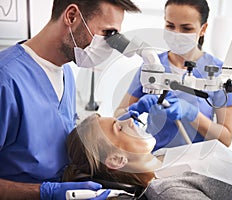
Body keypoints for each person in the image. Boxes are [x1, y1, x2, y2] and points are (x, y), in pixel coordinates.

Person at [0, 0, 140, 199]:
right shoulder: (5, 79)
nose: (110, 46)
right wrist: (42, 193)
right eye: (107, 33)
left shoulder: (66, 72)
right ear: (72, 16)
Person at [63, 113, 232, 199]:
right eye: (119, 127)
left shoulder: (165, 156)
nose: (129, 120)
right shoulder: (168, 191)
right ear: (116, 160)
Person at [114, 0, 232, 151]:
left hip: (196, 163)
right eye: (170, 26)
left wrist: (192, 114)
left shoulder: (219, 72)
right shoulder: (152, 65)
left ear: (203, 29)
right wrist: (136, 108)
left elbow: (226, 138)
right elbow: (118, 115)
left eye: (186, 28)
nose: (176, 34)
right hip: (154, 159)